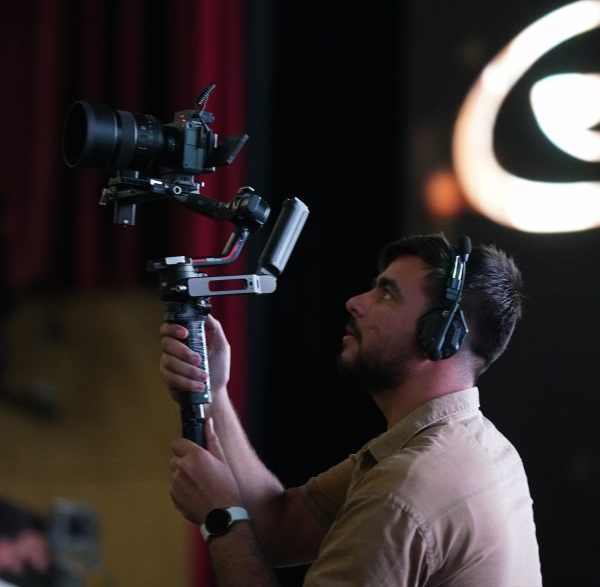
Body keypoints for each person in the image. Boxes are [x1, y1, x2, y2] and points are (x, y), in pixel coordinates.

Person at [159, 233, 543, 586]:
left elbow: (262, 529)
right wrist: (215, 390)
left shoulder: (406, 489)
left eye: (387, 294)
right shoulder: (474, 444)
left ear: (440, 335)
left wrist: (221, 517)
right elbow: (280, 528)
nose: (356, 302)